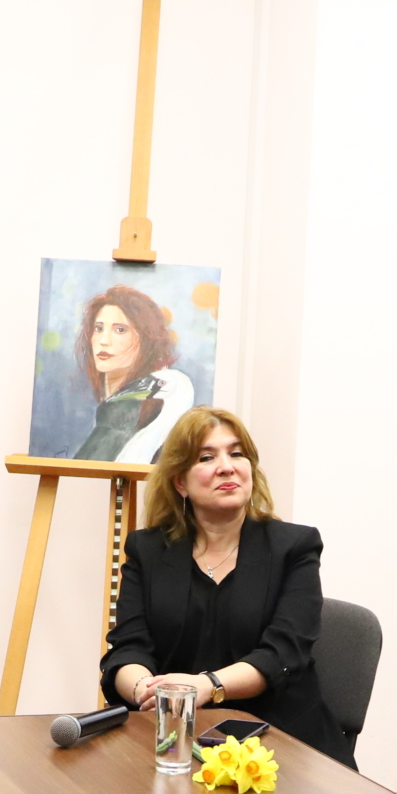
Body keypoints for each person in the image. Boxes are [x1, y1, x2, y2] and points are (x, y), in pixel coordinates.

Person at [100, 407, 352, 766]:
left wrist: (206, 686)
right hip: (172, 735)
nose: (226, 467)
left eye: (236, 454)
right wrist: (150, 693)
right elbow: (128, 649)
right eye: (206, 457)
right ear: (180, 482)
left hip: (278, 739)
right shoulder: (148, 550)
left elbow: (281, 655)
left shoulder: (294, 547)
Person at [72, 286, 195, 463]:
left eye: (120, 330)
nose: (104, 341)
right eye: (98, 328)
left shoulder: (132, 411)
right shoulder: (112, 412)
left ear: (146, 338)